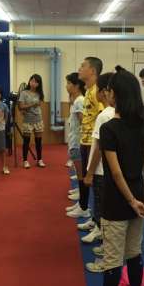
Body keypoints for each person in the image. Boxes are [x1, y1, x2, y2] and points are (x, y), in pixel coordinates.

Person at [80, 67, 144, 286]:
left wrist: (132, 201)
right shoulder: (141, 126)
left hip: (117, 200)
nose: (107, 94)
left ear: (117, 95)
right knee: (134, 252)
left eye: (110, 91)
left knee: (112, 258)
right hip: (138, 197)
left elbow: (115, 171)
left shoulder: (110, 128)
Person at [81, 72, 115, 266]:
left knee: (104, 209)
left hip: (101, 170)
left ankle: (106, 247)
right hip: (109, 170)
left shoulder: (104, 116)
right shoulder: (118, 113)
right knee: (105, 208)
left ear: (104, 92)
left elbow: (99, 149)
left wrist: (89, 173)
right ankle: (105, 239)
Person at [67, 57, 103, 220]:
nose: (79, 69)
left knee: (95, 183)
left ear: (92, 71)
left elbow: (102, 116)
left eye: (83, 66)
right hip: (84, 141)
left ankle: (97, 222)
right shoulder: (88, 91)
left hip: (93, 143)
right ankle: (92, 217)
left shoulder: (97, 91)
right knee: (89, 180)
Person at [65, 73, 85, 203]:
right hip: (75, 140)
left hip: (78, 142)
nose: (66, 86)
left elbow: (83, 122)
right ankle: (79, 191)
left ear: (76, 86)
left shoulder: (80, 101)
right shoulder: (76, 100)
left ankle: (82, 202)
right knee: (78, 171)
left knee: (80, 172)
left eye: (68, 83)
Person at [18, 74, 46, 169]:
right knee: (26, 141)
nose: (33, 83)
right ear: (29, 81)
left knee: (38, 141)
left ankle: (40, 160)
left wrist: (34, 105)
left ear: (39, 84)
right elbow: (21, 106)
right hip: (28, 120)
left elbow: (39, 104)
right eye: (32, 80)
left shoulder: (39, 94)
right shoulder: (24, 93)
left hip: (38, 119)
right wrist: (33, 104)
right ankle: (25, 161)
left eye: (36, 82)